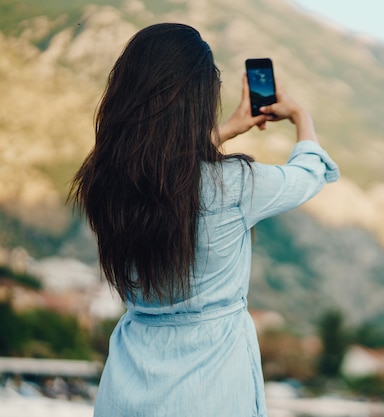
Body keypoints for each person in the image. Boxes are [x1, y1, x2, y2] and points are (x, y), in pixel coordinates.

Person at [68, 23, 338, 417]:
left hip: (127, 388)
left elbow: (162, 167)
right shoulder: (234, 186)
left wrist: (226, 130)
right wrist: (301, 116)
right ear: (200, 99)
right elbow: (309, 174)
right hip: (212, 389)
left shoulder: (102, 184)